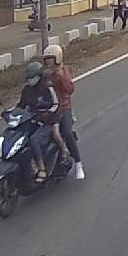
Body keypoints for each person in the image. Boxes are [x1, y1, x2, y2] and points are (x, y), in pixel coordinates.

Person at [17, 60, 66, 182]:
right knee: (20, 139)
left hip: (48, 121)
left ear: (39, 77)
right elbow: (21, 106)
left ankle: (42, 168)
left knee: (34, 140)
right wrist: (11, 113)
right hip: (32, 120)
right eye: (28, 78)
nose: (30, 80)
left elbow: (56, 104)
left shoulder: (47, 87)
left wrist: (47, 114)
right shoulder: (27, 90)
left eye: (32, 77)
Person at [43, 44, 85, 180]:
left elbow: (70, 89)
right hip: (47, 108)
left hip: (63, 108)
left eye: (51, 59)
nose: (49, 62)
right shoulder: (44, 74)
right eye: (46, 59)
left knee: (67, 133)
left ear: (57, 58)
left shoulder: (63, 71)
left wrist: (60, 78)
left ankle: (78, 164)